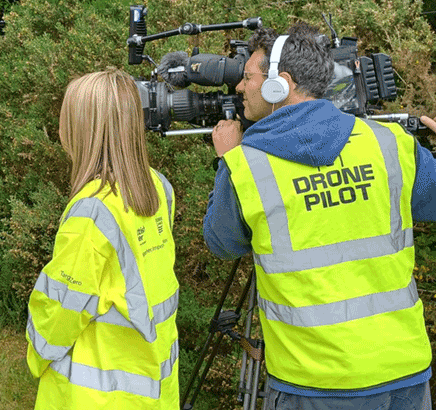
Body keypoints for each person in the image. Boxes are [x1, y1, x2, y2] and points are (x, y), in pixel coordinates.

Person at [203, 23, 434, 410]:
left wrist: (228, 159)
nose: (239, 88)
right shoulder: (388, 143)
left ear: (281, 84)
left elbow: (222, 243)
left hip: (314, 383)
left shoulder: (247, 166)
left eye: (247, 77)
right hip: (403, 374)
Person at [25, 68, 180, 409]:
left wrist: (36, 357)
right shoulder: (157, 187)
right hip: (151, 388)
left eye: (67, 119)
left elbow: (60, 312)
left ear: (85, 129)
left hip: (93, 396)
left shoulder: (92, 211)